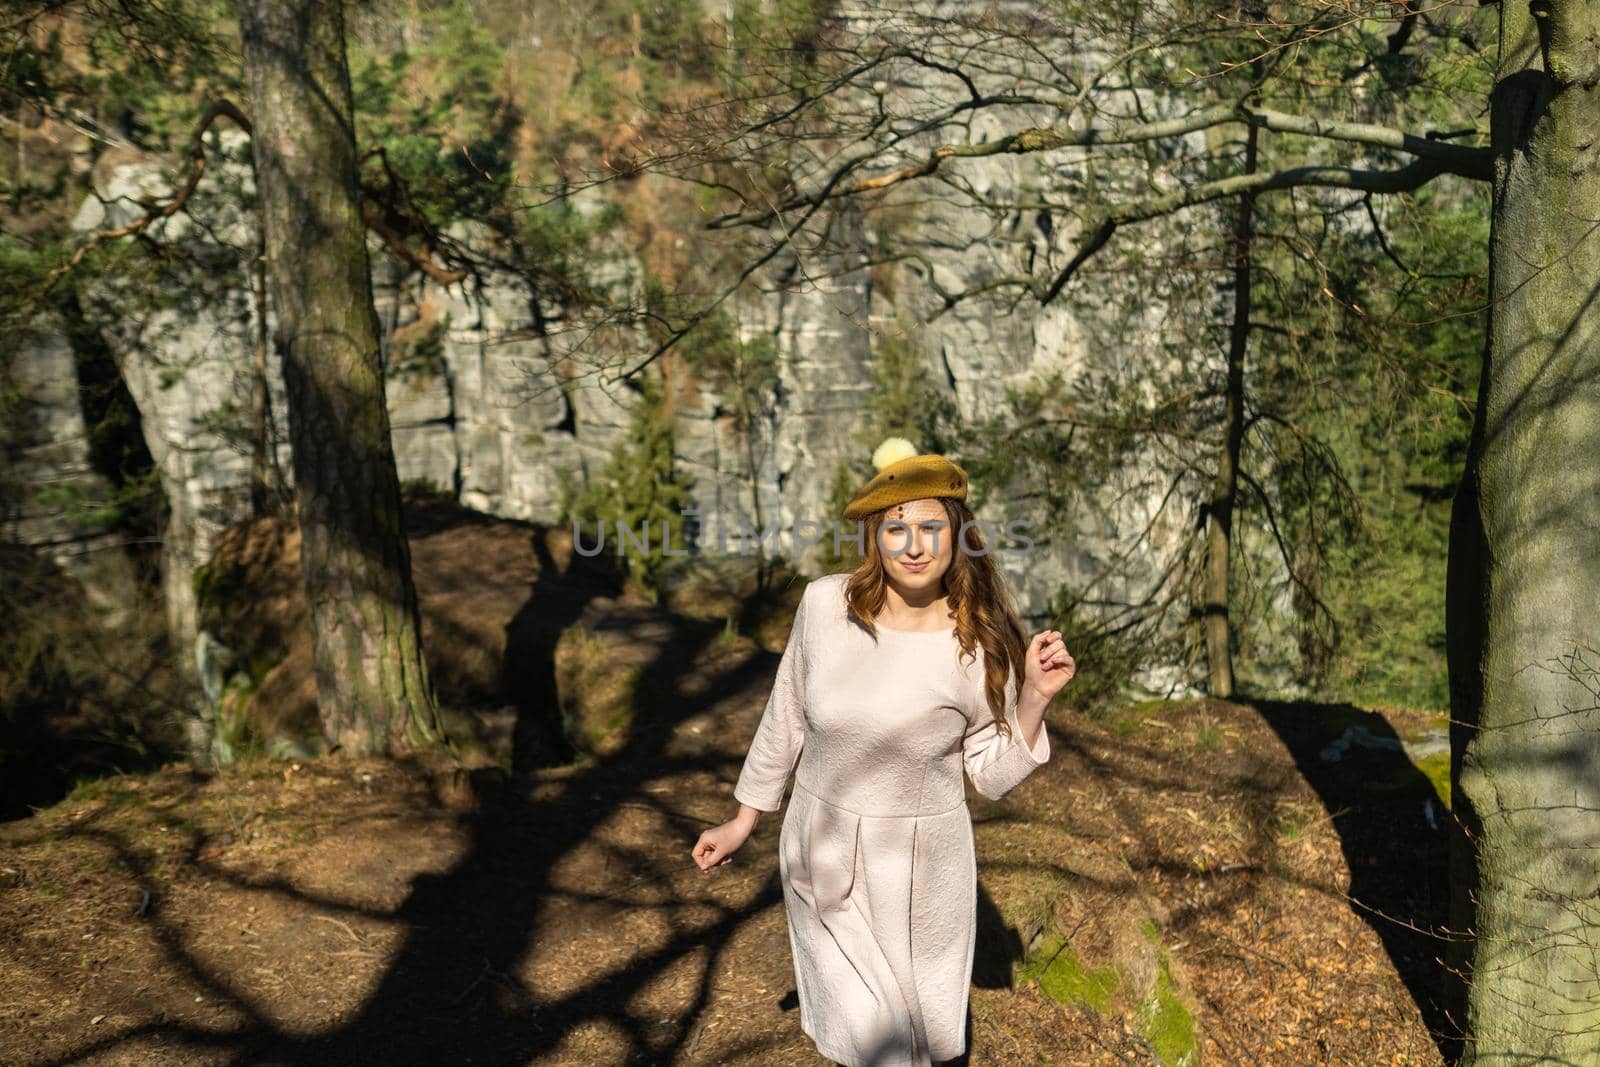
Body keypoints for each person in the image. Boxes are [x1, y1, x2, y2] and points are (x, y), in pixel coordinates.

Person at [690, 436, 1077, 1067]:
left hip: (926, 868)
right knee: (881, 1043)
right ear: (875, 537)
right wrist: (743, 819)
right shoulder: (823, 607)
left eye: (931, 527)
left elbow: (991, 774)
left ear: (958, 536)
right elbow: (784, 716)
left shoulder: (978, 641)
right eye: (897, 529)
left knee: (921, 1037)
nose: (915, 545)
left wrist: (1032, 698)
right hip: (821, 847)